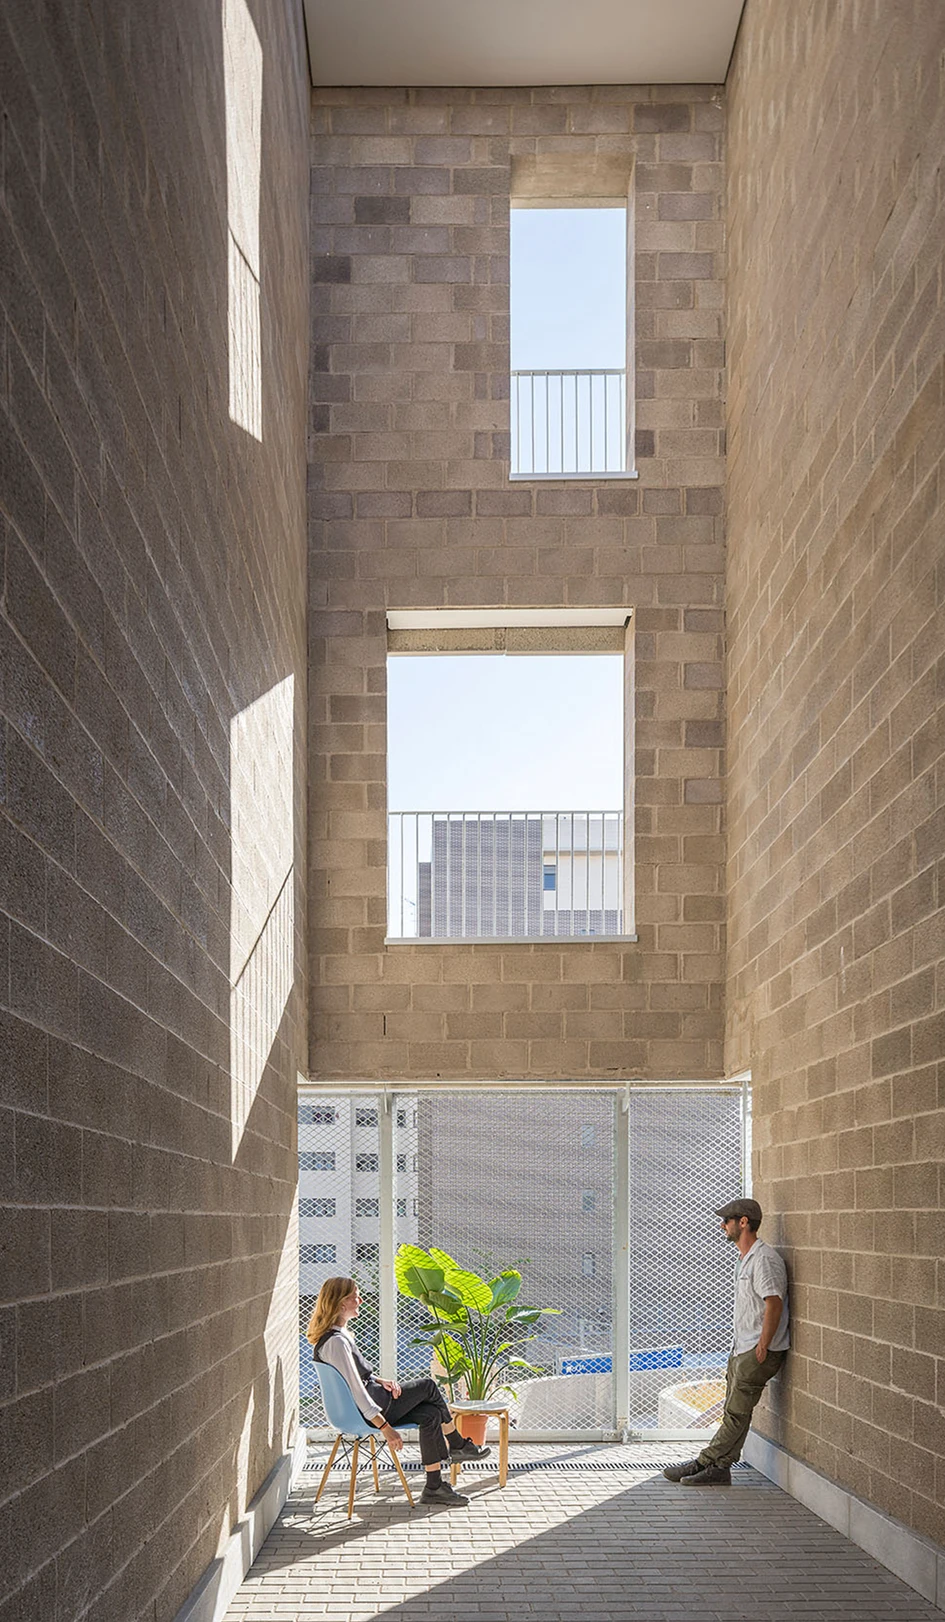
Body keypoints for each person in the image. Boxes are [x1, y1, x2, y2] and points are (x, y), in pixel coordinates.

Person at [306, 1276, 490, 1509]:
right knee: (428, 1386)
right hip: (373, 1410)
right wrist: (386, 1428)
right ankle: (457, 1444)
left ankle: (434, 1487)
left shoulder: (337, 1337)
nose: (360, 1300)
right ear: (341, 1303)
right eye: (355, 1297)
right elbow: (356, 1390)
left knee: (431, 1414)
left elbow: (355, 1378)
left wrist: (378, 1380)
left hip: (373, 1402)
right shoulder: (337, 1343)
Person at [664, 1197, 790, 1486]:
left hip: (757, 1350)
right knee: (735, 1412)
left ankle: (703, 1463)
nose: (722, 1225)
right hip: (742, 1348)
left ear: (743, 1222)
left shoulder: (764, 1260)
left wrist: (763, 1344)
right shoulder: (745, 1259)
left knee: (735, 1413)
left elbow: (774, 1303)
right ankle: (719, 1469)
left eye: (727, 1220)